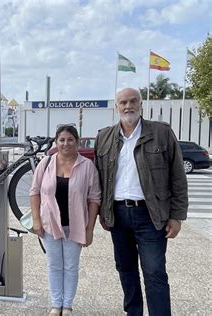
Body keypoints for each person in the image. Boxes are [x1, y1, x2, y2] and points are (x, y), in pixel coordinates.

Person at [94, 88, 188, 316]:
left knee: (155, 272)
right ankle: (133, 313)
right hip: (118, 215)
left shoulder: (161, 133)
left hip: (150, 215)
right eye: (123, 102)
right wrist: (101, 213)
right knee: (126, 270)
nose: (128, 106)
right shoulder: (104, 137)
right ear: (117, 106)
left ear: (141, 104)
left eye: (133, 101)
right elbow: (98, 180)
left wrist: (177, 216)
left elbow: (177, 176)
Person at [30, 125, 101, 316]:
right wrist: (36, 220)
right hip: (49, 224)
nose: (66, 143)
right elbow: (34, 192)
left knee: (70, 267)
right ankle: (56, 304)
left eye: (70, 139)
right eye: (61, 139)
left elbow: (94, 199)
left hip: (75, 225)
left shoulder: (87, 166)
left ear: (77, 142)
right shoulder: (45, 163)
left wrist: (90, 229)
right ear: (56, 142)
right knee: (53, 265)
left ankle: (67, 305)